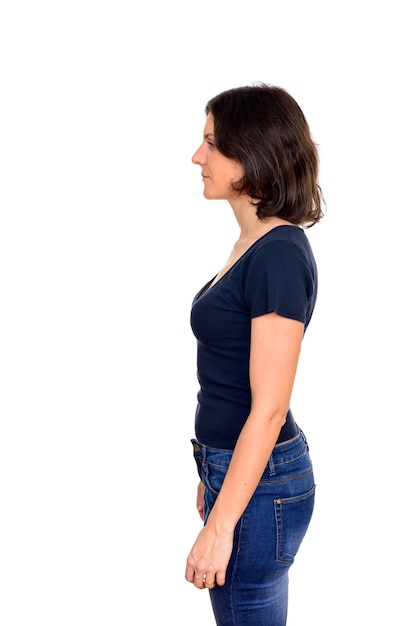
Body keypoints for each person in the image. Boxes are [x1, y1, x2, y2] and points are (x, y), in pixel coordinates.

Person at [185, 83, 325, 626]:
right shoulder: (255, 242)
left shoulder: (279, 255)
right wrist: (212, 469)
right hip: (243, 473)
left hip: (263, 483)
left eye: (212, 144)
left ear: (253, 154)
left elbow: (268, 407)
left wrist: (221, 527)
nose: (198, 156)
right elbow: (230, 378)